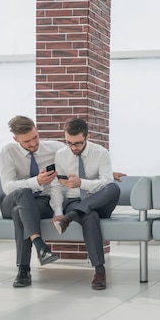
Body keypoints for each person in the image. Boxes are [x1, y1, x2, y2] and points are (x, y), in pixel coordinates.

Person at [49, 118, 121, 290]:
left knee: (114, 188)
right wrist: (58, 211)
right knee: (89, 215)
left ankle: (71, 218)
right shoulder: (61, 155)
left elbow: (106, 181)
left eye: (78, 143)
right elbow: (56, 186)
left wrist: (82, 183)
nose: (74, 148)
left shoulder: (101, 153)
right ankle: (99, 271)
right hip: (74, 201)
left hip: (99, 200)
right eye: (69, 143)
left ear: (87, 136)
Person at [0, 115, 64, 287]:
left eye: (35, 137)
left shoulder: (55, 148)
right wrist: (36, 181)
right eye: (27, 141)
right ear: (16, 139)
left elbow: (79, 162)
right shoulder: (7, 152)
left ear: (36, 129)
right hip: (11, 200)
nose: (33, 143)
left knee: (19, 213)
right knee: (23, 193)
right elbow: (7, 187)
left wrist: (107, 174)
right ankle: (39, 244)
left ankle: (23, 270)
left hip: (40, 203)